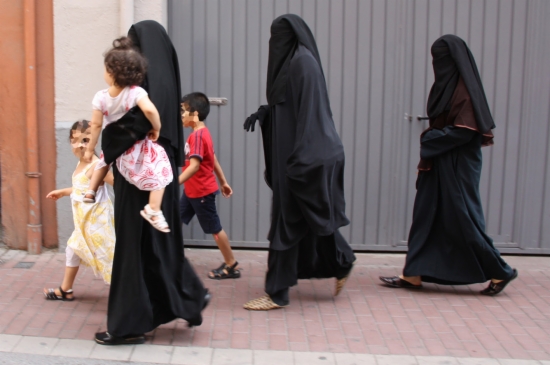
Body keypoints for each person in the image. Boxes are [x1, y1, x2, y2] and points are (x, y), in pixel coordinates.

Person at [94, 20, 210, 346]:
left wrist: (107, 140)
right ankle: (189, 297)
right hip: (162, 176)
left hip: (138, 177)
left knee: (132, 248)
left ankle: (128, 325)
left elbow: (136, 122)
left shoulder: (145, 92)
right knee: (157, 245)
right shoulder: (165, 82)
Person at [379, 34, 518, 295]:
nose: (438, 64)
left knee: (462, 218)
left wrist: (431, 137)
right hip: (440, 162)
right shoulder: (448, 86)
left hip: (458, 166)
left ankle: (501, 271)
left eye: (441, 58)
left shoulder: (465, 91)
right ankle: (414, 273)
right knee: (426, 215)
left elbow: (465, 132)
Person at [243, 14, 356, 310]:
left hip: (300, 158)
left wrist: (302, 160)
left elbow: (311, 115)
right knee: (304, 217)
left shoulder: (303, 64)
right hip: (292, 156)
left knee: (288, 219)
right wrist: (267, 115)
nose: (274, 43)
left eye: (277, 36)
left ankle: (277, 292)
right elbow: (289, 107)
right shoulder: (291, 64)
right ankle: (341, 262)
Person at [83, 37, 172, 233]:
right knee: (162, 171)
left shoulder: (100, 97)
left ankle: (91, 190)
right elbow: (150, 111)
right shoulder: (136, 93)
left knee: (103, 162)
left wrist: (90, 149)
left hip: (114, 148)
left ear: (112, 72)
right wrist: (156, 127)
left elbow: (96, 125)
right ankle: (153, 208)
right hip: (136, 148)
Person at [44, 120, 115, 301]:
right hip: (83, 224)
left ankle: (133, 296)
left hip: (97, 226)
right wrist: (63, 192)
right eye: (75, 140)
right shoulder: (81, 164)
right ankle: (65, 289)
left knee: (110, 261)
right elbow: (81, 189)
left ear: (94, 141)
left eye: (86, 140)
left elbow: (118, 184)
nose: (80, 145)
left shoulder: (97, 166)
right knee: (72, 249)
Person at [179, 92, 240, 280]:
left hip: (201, 192)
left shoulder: (197, 136)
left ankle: (231, 265)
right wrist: (223, 181)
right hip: (191, 191)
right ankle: (168, 258)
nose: (180, 115)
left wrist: (174, 181)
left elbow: (196, 165)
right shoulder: (202, 133)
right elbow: (211, 158)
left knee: (214, 228)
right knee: (173, 219)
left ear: (194, 114)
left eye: (183, 111)